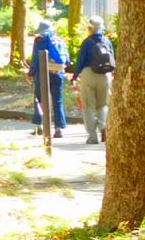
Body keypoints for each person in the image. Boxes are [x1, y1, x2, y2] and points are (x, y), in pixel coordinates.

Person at [73, 16, 116, 145]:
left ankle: (92, 137)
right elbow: (112, 59)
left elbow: (81, 61)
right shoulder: (107, 41)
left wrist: (75, 75)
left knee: (88, 107)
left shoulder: (87, 42)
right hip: (105, 76)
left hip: (88, 75)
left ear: (90, 28)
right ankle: (103, 127)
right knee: (103, 105)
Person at [28, 21, 69, 138]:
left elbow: (36, 59)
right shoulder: (60, 40)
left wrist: (30, 73)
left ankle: (39, 126)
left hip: (42, 74)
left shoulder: (39, 41)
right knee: (58, 101)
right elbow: (66, 59)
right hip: (57, 73)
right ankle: (58, 129)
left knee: (39, 99)